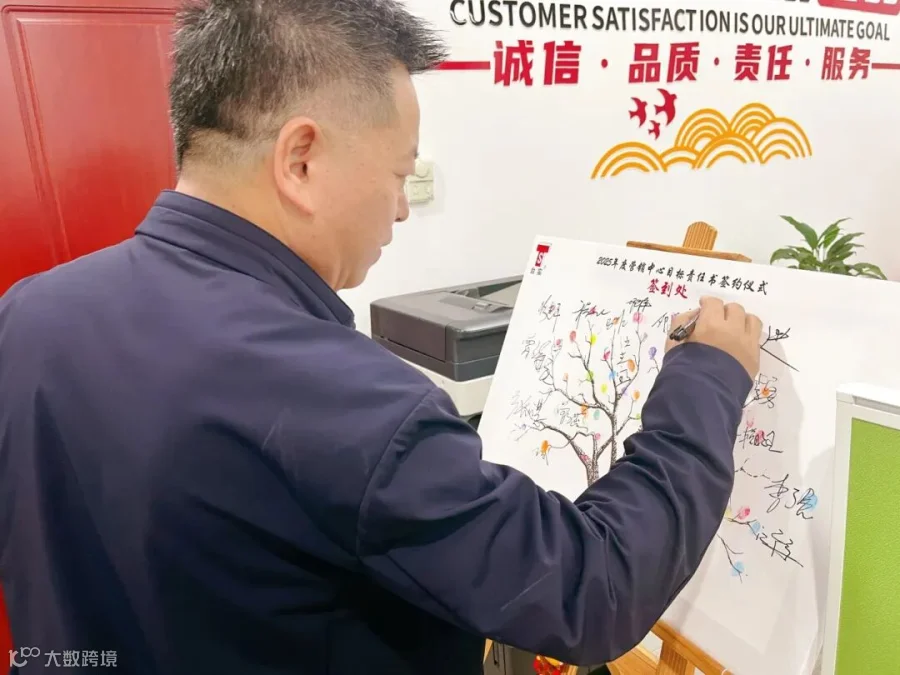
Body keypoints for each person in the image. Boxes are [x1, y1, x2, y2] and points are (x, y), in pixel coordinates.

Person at [0, 1, 762, 673]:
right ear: (300, 159)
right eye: (400, 174)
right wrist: (706, 375)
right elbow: (590, 587)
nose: (401, 208)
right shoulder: (340, 401)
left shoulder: (30, 312)